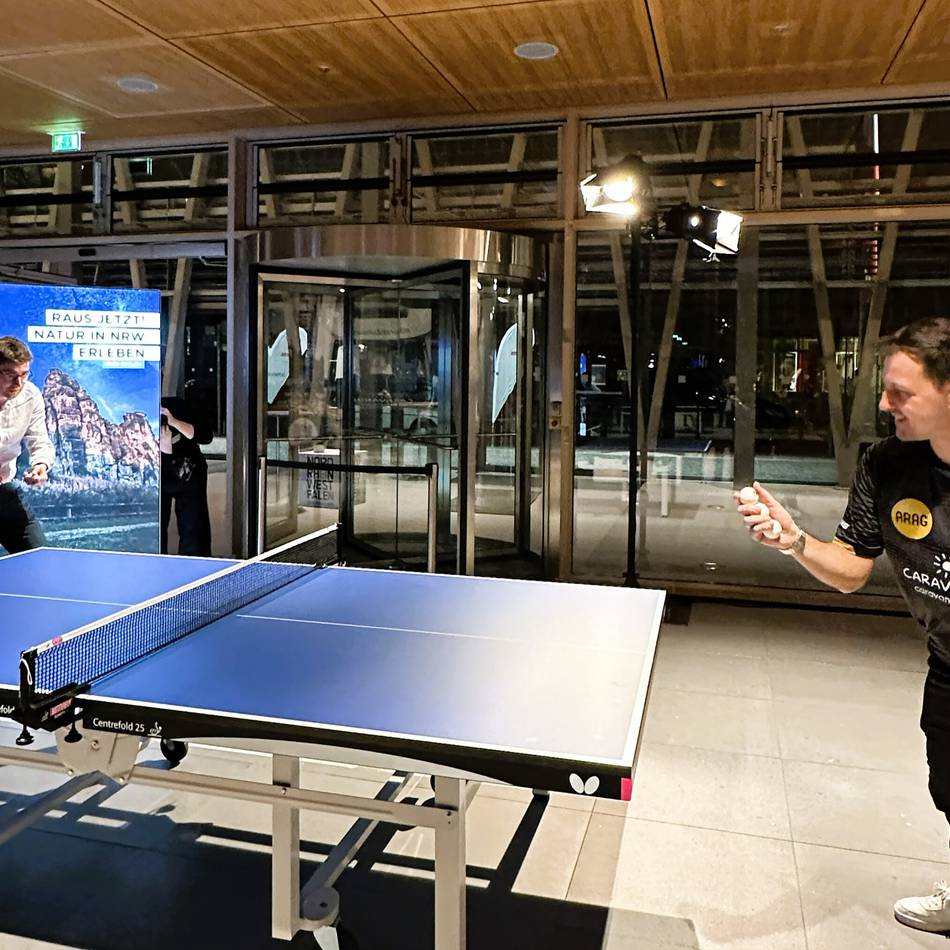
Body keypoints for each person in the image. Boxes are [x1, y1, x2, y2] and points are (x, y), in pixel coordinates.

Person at [736, 316, 950, 936]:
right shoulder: (887, 465)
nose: (886, 404)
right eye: (886, 389)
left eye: (901, 394)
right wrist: (795, 541)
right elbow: (852, 568)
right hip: (947, 662)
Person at [0, 336, 54, 554]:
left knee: (39, 557)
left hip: (4, 491)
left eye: (24, 374)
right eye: (10, 374)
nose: (19, 383)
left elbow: (39, 437)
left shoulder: (30, 395)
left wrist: (41, 464)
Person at [160, 394, 212, 557]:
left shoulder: (180, 405)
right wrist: (164, 449)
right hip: (159, 473)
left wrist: (173, 421)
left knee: (194, 529)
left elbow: (205, 435)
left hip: (189, 471)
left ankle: (196, 569)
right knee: (156, 527)